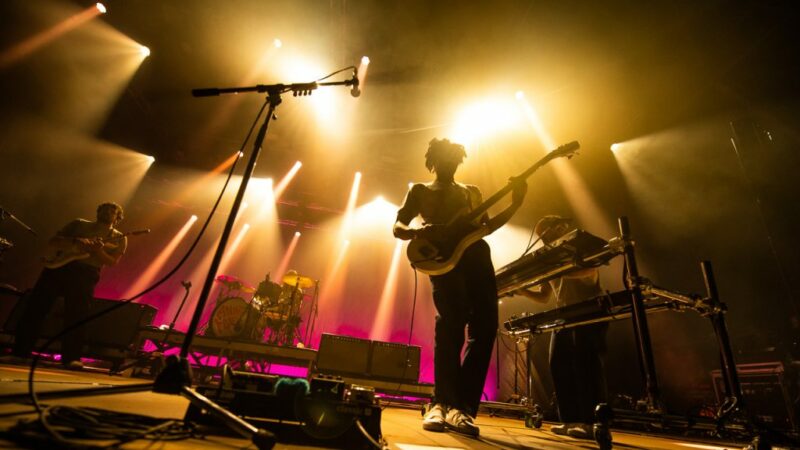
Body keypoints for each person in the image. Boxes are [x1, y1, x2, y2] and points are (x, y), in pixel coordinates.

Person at [393, 138, 527, 436]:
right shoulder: (420, 190)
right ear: (433, 161)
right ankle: (440, 403)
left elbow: (486, 227)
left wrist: (515, 203)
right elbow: (398, 226)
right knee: (451, 326)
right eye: (445, 159)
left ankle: (461, 407)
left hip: (476, 256)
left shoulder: (471, 192)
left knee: (486, 327)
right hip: (444, 261)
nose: (450, 164)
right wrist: (416, 232)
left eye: (455, 159)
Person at [518, 215, 608, 439]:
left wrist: (558, 269)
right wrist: (522, 290)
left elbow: (590, 271)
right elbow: (544, 297)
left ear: (559, 228)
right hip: (563, 315)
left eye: (545, 233)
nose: (543, 238)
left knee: (586, 365)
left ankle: (592, 423)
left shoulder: (577, 248)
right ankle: (570, 420)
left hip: (587, 311)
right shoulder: (550, 260)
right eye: (540, 235)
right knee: (558, 365)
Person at [8, 202, 127, 369]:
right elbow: (54, 241)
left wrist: (98, 250)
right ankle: (19, 353)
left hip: (86, 273)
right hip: (59, 267)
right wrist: (77, 241)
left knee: (77, 315)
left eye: (111, 211)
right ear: (97, 212)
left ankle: (71, 358)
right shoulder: (79, 224)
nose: (106, 212)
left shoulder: (120, 237)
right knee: (36, 308)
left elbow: (112, 262)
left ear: (118, 217)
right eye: (103, 209)